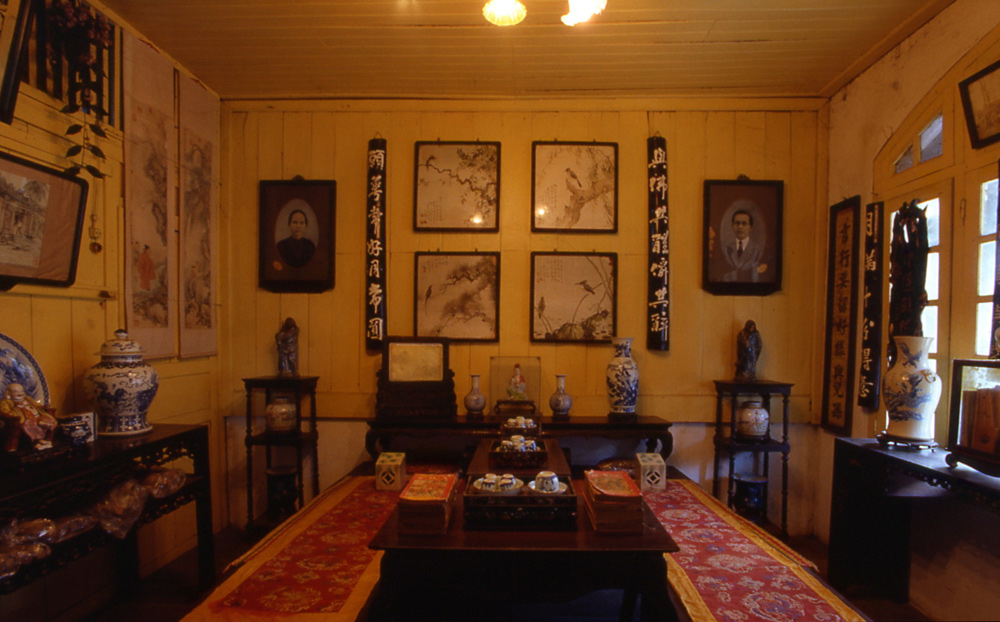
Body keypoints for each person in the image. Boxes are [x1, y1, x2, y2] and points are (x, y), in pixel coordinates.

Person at [0, 383, 58, 452]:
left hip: (37, 415)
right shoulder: (6, 402)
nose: (19, 393)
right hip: (24, 418)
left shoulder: (28, 399)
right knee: (30, 424)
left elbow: (37, 405)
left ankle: (45, 439)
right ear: (8, 393)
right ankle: (36, 440)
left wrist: (44, 407)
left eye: (21, 391)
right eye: (15, 391)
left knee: (48, 419)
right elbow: (6, 412)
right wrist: (17, 407)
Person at [721, 207, 765, 283]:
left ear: (750, 227)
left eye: (744, 224)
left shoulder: (757, 249)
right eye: (737, 223)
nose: (740, 227)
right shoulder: (727, 248)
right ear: (732, 225)